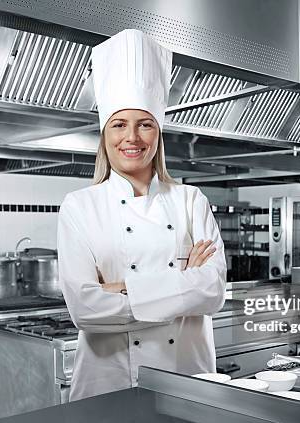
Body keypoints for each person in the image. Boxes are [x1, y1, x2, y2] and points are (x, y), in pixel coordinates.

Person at [58, 29, 227, 402]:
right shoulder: (80, 206)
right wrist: (181, 282)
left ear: (158, 133)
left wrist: (119, 289)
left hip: (187, 379)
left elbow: (213, 292)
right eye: (119, 124)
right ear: (104, 134)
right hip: (107, 382)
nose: (131, 137)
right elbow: (86, 310)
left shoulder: (190, 199)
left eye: (144, 124)